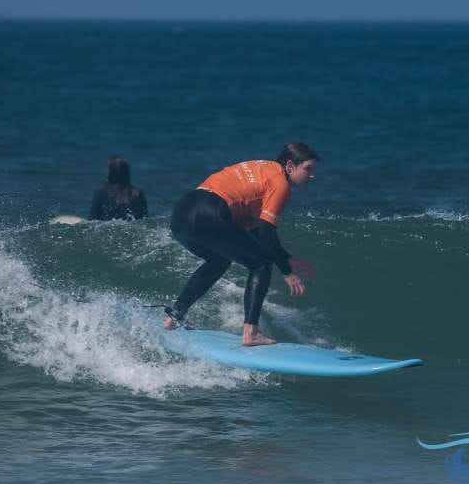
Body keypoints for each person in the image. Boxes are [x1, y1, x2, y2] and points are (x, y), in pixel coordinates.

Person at [163, 143, 318, 346]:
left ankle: (174, 318)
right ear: (290, 166)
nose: (312, 175)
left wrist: (287, 258)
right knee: (261, 263)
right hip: (211, 213)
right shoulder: (280, 183)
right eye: (308, 169)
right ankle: (251, 333)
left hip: (182, 214)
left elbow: (256, 232)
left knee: (219, 261)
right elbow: (266, 231)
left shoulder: (263, 169)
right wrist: (287, 272)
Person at [90, 156, 148, 221]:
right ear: (127, 172)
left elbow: (93, 219)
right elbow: (145, 218)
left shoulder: (100, 193)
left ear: (110, 172)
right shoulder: (137, 193)